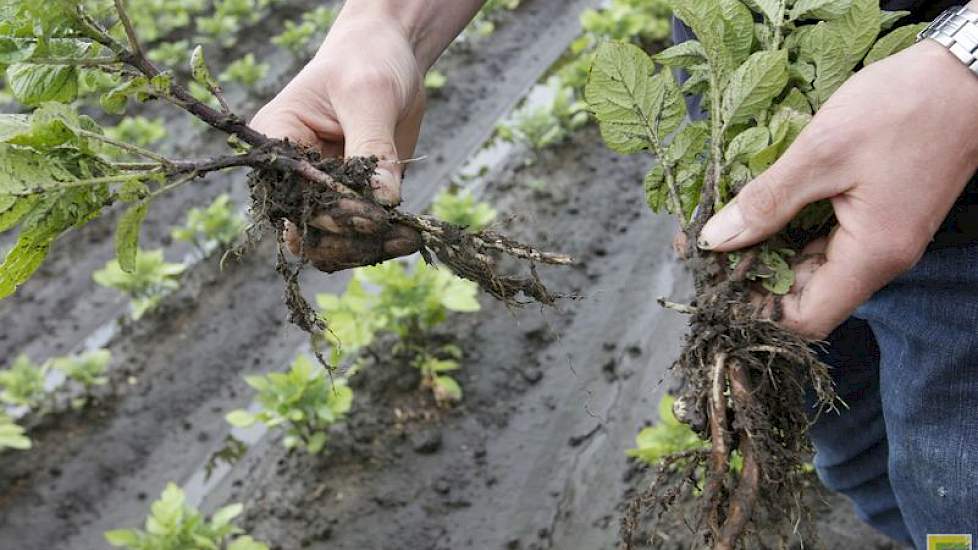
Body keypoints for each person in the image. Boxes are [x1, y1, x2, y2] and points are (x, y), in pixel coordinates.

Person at [252, 1, 978, 547]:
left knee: (955, 492)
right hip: (763, 127)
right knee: (855, 457)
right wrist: (387, 24)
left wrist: (965, 64)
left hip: (951, 137)